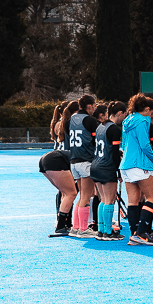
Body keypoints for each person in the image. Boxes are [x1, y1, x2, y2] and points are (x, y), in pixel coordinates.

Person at [120, 94, 153, 245]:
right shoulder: (143, 120)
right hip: (140, 164)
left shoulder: (128, 120)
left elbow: (123, 144)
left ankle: (135, 234)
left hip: (125, 165)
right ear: (146, 109)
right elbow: (145, 145)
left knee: (133, 200)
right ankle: (142, 232)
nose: (152, 115)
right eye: (151, 112)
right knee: (152, 197)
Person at [89, 101, 126, 241]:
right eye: (124, 114)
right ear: (120, 113)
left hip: (96, 165)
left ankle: (101, 230)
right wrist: (119, 172)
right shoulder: (115, 129)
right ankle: (108, 232)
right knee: (109, 200)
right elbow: (115, 154)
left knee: (103, 199)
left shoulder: (100, 127)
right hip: (107, 167)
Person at [64, 94, 99, 236]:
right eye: (94, 105)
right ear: (89, 105)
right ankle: (83, 229)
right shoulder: (90, 120)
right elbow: (97, 140)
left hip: (74, 161)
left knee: (82, 195)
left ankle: (76, 227)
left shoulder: (70, 120)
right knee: (86, 195)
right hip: (86, 160)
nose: (95, 108)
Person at [40, 101, 75, 237]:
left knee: (64, 192)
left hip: (55, 156)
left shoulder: (57, 123)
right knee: (70, 193)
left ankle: (62, 219)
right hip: (61, 159)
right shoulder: (66, 123)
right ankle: (63, 223)